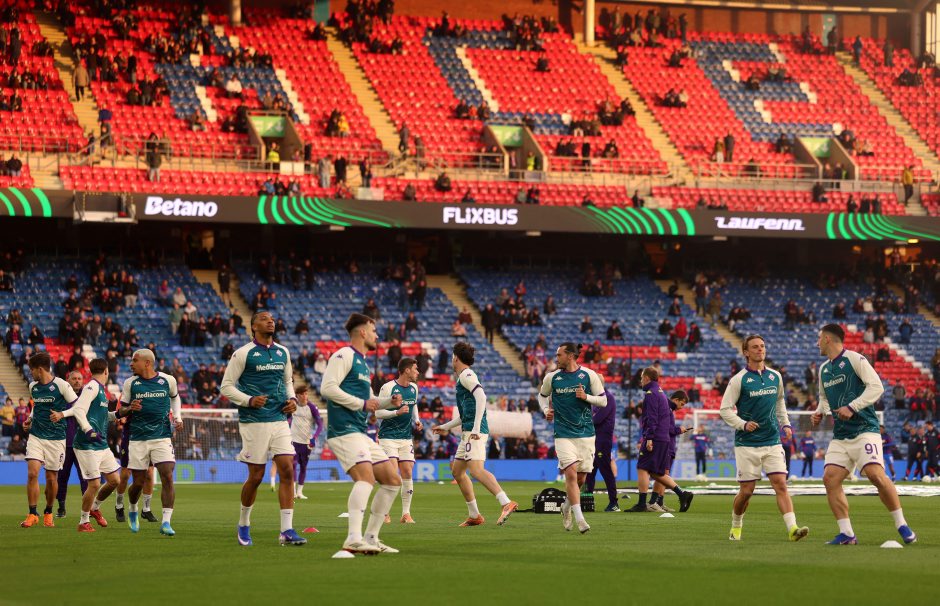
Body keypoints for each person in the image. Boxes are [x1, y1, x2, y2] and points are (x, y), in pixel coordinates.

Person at [812, 323, 916, 545]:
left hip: (864, 429)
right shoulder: (823, 370)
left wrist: (852, 407)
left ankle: (901, 524)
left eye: (819, 338)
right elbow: (823, 397)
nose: (817, 343)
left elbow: (877, 387)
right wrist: (820, 411)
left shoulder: (855, 359)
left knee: (875, 475)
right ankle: (847, 534)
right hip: (841, 435)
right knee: (830, 478)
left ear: (828, 339)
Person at [320, 313, 404, 555]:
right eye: (374, 330)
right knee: (366, 478)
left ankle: (371, 538)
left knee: (392, 480)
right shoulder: (344, 355)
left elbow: (371, 401)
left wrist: (389, 402)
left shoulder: (362, 363)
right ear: (363, 332)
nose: (377, 335)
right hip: (343, 430)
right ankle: (353, 539)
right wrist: (361, 404)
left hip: (359, 432)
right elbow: (327, 388)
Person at [220, 311, 305, 547]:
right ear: (254, 326)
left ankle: (286, 530)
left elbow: (288, 382)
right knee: (256, 476)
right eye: (264, 319)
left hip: (279, 418)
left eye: (272, 319)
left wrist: (292, 400)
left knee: (287, 469)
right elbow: (226, 386)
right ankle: (244, 524)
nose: (270, 321)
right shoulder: (243, 353)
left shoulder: (283, 352)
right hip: (254, 421)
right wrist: (248, 400)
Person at [719, 334, 808, 542]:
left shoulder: (775, 376)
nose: (760, 349)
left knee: (781, 484)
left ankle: (792, 529)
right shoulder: (739, 379)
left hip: (772, 440)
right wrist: (742, 424)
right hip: (747, 444)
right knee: (747, 492)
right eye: (755, 347)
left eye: (762, 346)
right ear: (746, 352)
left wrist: (785, 424)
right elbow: (724, 410)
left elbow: (779, 402)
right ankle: (736, 526)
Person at [433, 342, 518, 527]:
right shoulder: (463, 378)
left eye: (453, 357)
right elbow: (465, 415)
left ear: (456, 358)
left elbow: (482, 396)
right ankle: (474, 515)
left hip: (474, 432)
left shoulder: (467, 374)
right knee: (457, 471)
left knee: (476, 470)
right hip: (468, 431)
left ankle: (506, 502)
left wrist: (477, 428)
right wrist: (446, 426)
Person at [537, 343, 607, 533]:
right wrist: (546, 409)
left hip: (586, 434)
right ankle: (580, 519)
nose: (556, 358)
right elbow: (542, 396)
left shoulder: (589, 375)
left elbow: (603, 400)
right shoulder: (552, 377)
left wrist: (586, 397)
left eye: (559, 355)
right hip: (563, 434)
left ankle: (566, 506)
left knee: (581, 479)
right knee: (570, 474)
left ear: (570, 356)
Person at [50, 358, 121, 532]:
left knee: (114, 480)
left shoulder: (100, 390)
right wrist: (88, 430)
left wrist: (121, 413)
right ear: (106, 371)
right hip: (86, 443)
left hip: (100, 443)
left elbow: (103, 415)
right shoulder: (92, 387)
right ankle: (83, 521)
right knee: (93, 484)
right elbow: (78, 410)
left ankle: (94, 508)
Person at [120, 349, 182, 536]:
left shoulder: (168, 380)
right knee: (138, 482)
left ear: (147, 363)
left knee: (167, 475)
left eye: (135, 360)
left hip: (162, 437)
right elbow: (121, 410)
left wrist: (177, 417)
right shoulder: (130, 383)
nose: (131, 364)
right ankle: (133, 509)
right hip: (138, 439)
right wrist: (130, 408)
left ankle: (166, 522)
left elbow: (175, 398)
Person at [20, 352, 80, 528]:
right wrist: (29, 419)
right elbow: (37, 406)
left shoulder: (61, 385)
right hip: (36, 436)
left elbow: (78, 407)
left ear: (40, 369)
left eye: (32, 370)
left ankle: (48, 511)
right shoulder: (33, 386)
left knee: (51, 478)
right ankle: (32, 513)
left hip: (56, 439)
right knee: (32, 473)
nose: (30, 373)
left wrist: (62, 414)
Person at [625, 367, 695, 513]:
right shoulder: (661, 393)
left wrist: (649, 438)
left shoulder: (651, 394)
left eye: (641, 378)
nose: (641, 381)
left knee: (642, 468)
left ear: (646, 378)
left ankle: (642, 503)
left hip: (655, 437)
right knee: (657, 472)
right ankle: (682, 493)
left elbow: (652, 418)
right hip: (663, 439)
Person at [376, 357, 424, 523]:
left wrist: (417, 419)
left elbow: (413, 404)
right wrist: (396, 412)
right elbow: (378, 413)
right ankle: (385, 512)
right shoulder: (388, 387)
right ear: (407, 370)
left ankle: (405, 514)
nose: (418, 372)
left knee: (408, 472)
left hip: (405, 437)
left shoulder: (414, 388)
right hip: (388, 437)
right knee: (392, 473)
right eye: (415, 369)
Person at [55, 370, 89, 518]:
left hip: (82, 444)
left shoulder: (88, 396)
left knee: (85, 478)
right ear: (68, 380)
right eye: (74, 378)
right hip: (65, 444)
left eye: (79, 378)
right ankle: (61, 507)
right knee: (62, 477)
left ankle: (87, 509)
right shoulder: (61, 397)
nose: (77, 381)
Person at [585, 389, 619, 512]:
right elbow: (594, 417)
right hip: (595, 439)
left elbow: (597, 419)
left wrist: (588, 419)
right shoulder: (598, 399)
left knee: (606, 470)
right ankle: (587, 501)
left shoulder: (607, 398)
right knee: (590, 471)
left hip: (603, 440)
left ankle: (614, 503)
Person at [290, 385, 322, 502]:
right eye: (302, 394)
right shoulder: (293, 405)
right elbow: (287, 418)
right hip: (293, 441)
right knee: (293, 465)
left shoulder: (312, 407)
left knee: (303, 467)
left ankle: (299, 492)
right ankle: (293, 492)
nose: (305, 396)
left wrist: (315, 437)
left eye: (306, 394)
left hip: (306, 442)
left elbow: (320, 424)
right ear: (297, 395)